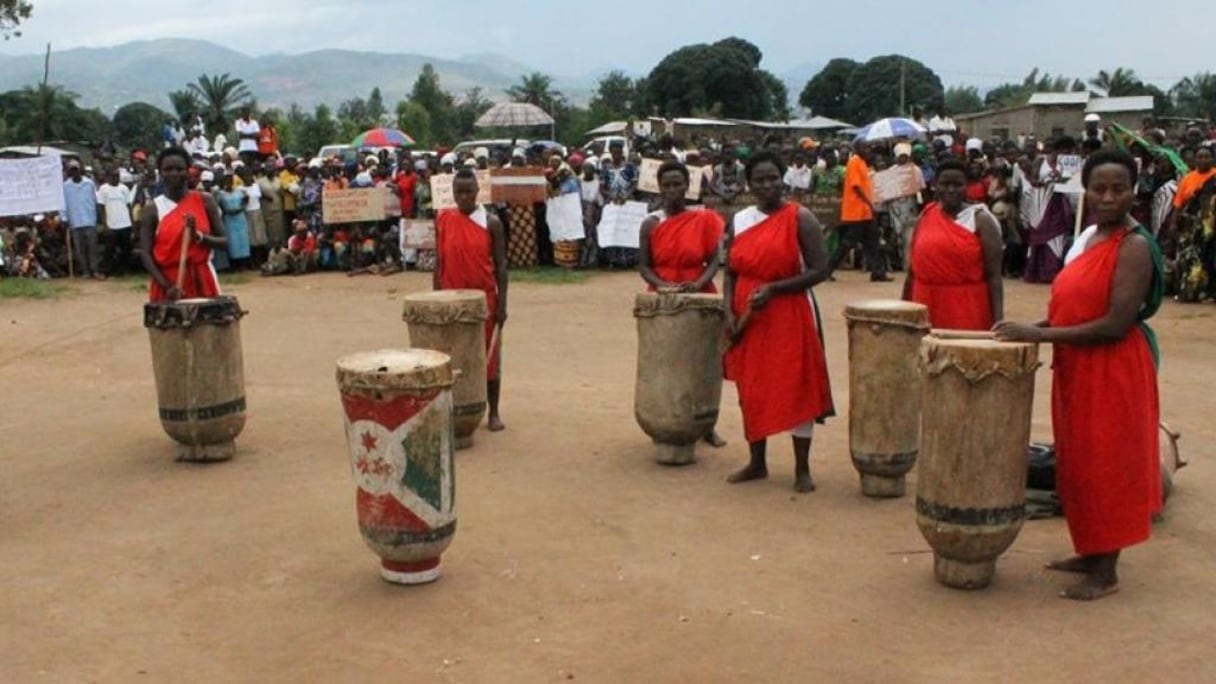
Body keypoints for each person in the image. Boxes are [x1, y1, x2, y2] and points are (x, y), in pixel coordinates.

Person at [994, 150, 1164, 601]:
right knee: (1079, 460)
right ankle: (1091, 550)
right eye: (1099, 188)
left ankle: (1106, 570)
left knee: (1108, 462)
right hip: (1077, 362)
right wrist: (1031, 330)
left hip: (1111, 368)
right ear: (1084, 190)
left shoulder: (1134, 247)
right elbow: (1075, 308)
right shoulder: (1088, 236)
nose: (1108, 197)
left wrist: (1038, 334)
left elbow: (1113, 323)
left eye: (1118, 188)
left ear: (1134, 191)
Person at [722, 152, 834, 493]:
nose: (767, 185)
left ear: (783, 179)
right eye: (760, 179)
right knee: (751, 384)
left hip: (790, 311)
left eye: (773, 178)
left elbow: (820, 270)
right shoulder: (739, 220)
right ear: (749, 184)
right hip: (748, 314)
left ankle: (802, 468)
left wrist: (773, 288)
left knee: (796, 383)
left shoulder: (801, 217)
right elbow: (730, 271)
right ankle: (757, 462)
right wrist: (728, 312)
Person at [639, 160, 728, 448]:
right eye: (667, 185)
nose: (673, 190)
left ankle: (706, 425)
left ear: (687, 187)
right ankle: (664, 419)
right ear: (659, 187)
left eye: (678, 184)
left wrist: (700, 283)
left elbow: (715, 259)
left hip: (699, 294)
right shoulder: (651, 223)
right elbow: (644, 267)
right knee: (664, 363)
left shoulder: (705, 219)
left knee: (703, 363)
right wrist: (664, 286)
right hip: (662, 299)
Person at [435, 169, 509, 432]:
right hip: (450, 299)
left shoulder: (491, 222)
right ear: (453, 193)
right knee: (451, 357)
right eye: (459, 192)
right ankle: (451, 410)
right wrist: (435, 297)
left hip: (483, 301)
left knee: (488, 357)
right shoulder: (443, 218)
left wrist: (502, 305)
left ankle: (494, 412)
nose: (463, 197)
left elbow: (501, 266)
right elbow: (439, 261)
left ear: (478, 192)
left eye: (468, 192)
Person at [902, 159, 1004, 330]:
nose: (951, 189)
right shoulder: (926, 216)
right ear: (935, 185)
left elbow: (994, 275)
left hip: (966, 309)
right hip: (924, 305)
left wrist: (999, 320)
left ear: (966, 186)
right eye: (945, 184)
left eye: (958, 184)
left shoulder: (981, 220)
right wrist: (904, 309)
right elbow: (912, 272)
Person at [139, 146, 227, 301]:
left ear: (188, 171)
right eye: (168, 169)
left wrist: (199, 237)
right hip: (168, 283)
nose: (174, 173)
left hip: (202, 278)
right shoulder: (152, 209)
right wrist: (167, 286)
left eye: (179, 169)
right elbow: (145, 252)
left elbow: (224, 242)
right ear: (161, 173)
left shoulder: (205, 201)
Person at [827, 141, 890, 282]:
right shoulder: (854, 162)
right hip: (856, 210)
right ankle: (827, 269)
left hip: (865, 211)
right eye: (864, 147)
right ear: (856, 149)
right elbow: (856, 187)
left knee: (873, 241)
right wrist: (869, 203)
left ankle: (878, 272)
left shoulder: (862, 163)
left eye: (868, 147)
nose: (868, 150)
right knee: (849, 242)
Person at [62, 160, 103, 279]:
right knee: (80, 249)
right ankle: (85, 271)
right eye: (72, 170)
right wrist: (64, 218)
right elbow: (63, 204)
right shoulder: (66, 186)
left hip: (90, 220)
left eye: (76, 169)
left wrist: (98, 217)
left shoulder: (89, 183)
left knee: (92, 248)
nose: (74, 172)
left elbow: (95, 200)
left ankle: (95, 270)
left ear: (80, 170)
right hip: (75, 221)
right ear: (69, 171)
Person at [96, 167, 135, 276]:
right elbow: (102, 208)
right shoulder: (103, 189)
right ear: (108, 177)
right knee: (109, 250)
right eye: (113, 176)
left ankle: (122, 271)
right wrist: (105, 225)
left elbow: (128, 206)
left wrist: (132, 224)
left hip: (125, 224)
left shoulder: (124, 189)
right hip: (111, 225)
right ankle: (106, 271)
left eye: (117, 176)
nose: (116, 178)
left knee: (126, 250)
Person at [215, 173, 252, 270]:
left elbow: (246, 201)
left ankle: (243, 263)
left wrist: (241, 208)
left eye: (230, 181)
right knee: (232, 241)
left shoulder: (239, 192)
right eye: (227, 181)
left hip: (240, 217)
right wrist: (227, 211)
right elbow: (218, 206)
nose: (229, 183)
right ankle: (234, 264)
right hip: (229, 219)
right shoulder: (221, 194)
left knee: (243, 239)